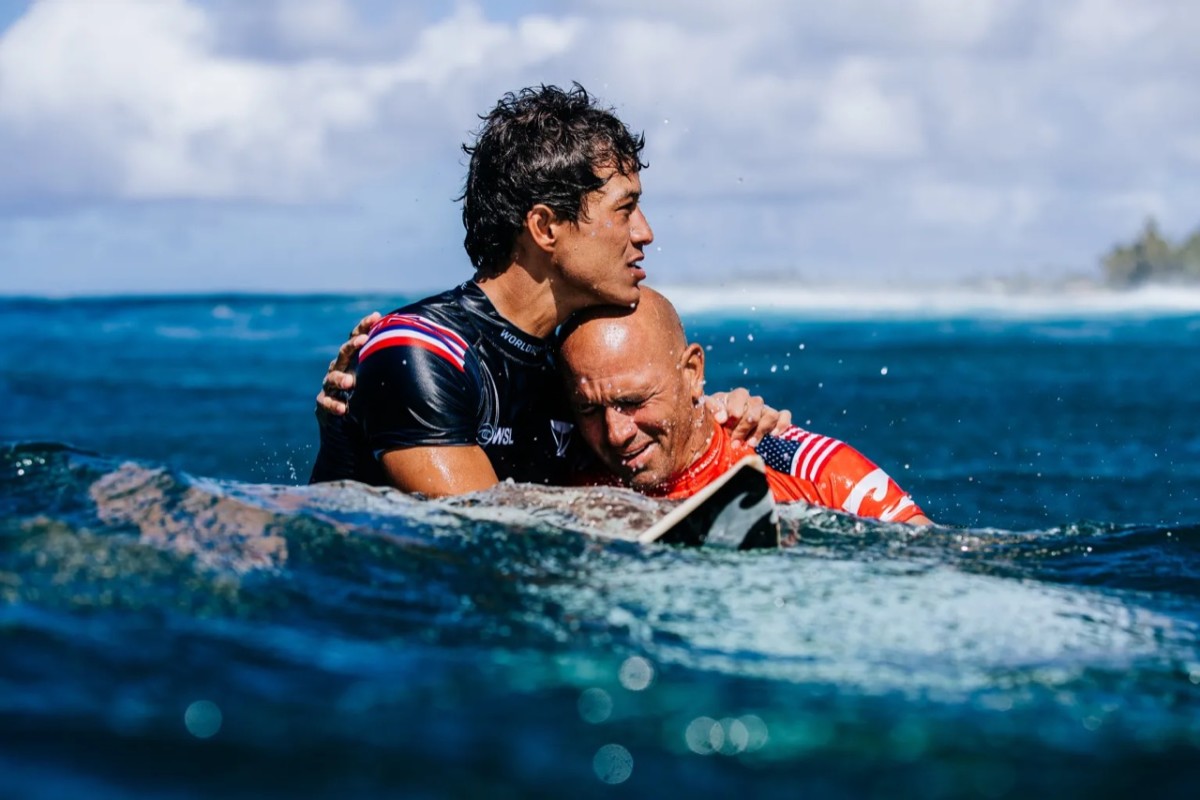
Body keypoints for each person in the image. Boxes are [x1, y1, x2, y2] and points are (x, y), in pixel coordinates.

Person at [309, 84, 784, 496]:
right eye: (625, 209)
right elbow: (475, 524)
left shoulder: (566, 367)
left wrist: (718, 420)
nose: (645, 233)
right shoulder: (420, 350)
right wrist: (625, 513)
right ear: (545, 227)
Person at [557, 288, 932, 524]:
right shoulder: (564, 471)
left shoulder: (809, 468)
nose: (615, 434)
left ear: (692, 373)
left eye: (633, 401)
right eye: (589, 409)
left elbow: (933, 558)